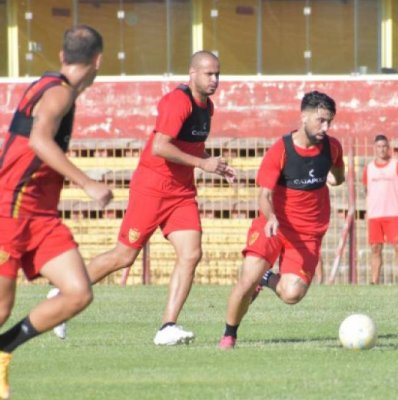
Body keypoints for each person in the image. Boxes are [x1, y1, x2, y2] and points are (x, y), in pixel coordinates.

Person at [51, 51, 236, 346]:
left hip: (181, 193)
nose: (215, 80)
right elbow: (160, 147)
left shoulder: (208, 108)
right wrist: (203, 164)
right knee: (124, 256)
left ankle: (167, 327)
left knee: (191, 254)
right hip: (152, 188)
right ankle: (65, 292)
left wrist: (212, 163)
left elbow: (190, 146)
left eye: (218, 74)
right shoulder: (177, 101)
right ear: (192, 73)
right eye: (209, 74)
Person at [0, 25, 112, 399]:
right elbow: (38, 140)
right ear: (98, 61)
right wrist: (88, 183)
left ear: (64, 55)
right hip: (10, 209)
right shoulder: (59, 92)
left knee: (78, 292)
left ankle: (3, 350)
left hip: (41, 217)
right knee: (1, 305)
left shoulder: (56, 89)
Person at [218, 91, 345, 349]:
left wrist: (329, 178)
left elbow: (338, 176)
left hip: (308, 233)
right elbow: (264, 195)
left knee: (292, 294)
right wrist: (272, 216)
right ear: (304, 117)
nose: (326, 127)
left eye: (329, 122)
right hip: (273, 225)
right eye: (321, 120)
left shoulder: (332, 148)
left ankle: (266, 278)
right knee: (246, 280)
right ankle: (229, 335)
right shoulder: (281, 150)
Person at [362, 134, 398, 285]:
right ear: (374, 148)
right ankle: (374, 281)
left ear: (388, 148)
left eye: (384, 146)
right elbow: (366, 189)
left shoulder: (397, 166)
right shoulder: (368, 168)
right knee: (375, 248)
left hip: (393, 212)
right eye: (378, 146)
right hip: (375, 214)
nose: (381, 149)